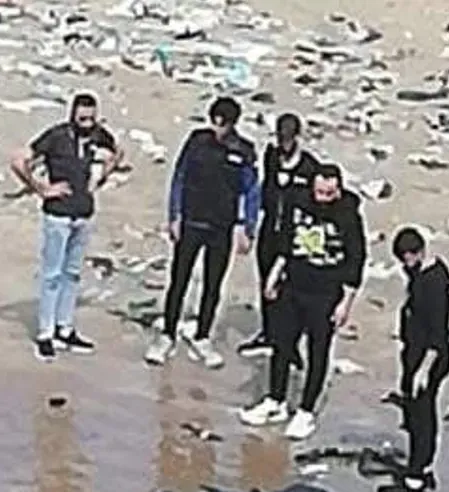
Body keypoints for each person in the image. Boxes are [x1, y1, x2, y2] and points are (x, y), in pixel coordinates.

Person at [239, 163, 365, 441]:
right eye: (319, 191)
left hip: (326, 293)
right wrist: (273, 277)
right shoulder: (298, 203)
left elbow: (356, 261)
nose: (323, 198)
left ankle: (306, 411)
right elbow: (285, 242)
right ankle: (275, 400)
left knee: (318, 352)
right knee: (281, 344)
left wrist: (346, 303)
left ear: (338, 190)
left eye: (329, 193)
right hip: (293, 285)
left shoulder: (348, 215)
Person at [146, 97, 261, 368]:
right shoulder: (197, 141)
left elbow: (251, 191)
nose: (218, 128)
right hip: (191, 221)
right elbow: (180, 176)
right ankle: (167, 334)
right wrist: (174, 215)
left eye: (224, 124)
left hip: (222, 226)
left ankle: (202, 335)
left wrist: (248, 227)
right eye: (215, 122)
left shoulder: (243, 151)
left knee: (213, 283)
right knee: (179, 280)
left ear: (233, 124)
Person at [10, 92, 124, 362]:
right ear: (72, 115)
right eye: (82, 119)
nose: (87, 124)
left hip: (84, 213)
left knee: (72, 274)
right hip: (57, 215)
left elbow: (118, 151)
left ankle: (66, 327)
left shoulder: (98, 135)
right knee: (52, 274)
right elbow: (18, 161)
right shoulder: (56, 136)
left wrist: (101, 177)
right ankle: (45, 333)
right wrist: (41, 188)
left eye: (91, 118)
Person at [378, 227, 449, 492]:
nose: (406, 263)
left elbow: (437, 331)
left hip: (428, 358)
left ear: (420, 252)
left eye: (409, 257)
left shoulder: (433, 283)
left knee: (423, 417)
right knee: (417, 413)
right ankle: (422, 467)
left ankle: (415, 479)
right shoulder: (420, 275)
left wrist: (422, 371)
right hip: (416, 354)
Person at [238, 112, 320, 359]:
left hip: (294, 236)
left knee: (290, 287)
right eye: (281, 138)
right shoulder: (271, 157)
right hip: (270, 231)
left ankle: (289, 341)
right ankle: (268, 332)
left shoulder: (309, 167)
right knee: (266, 282)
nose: (284, 144)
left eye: (288, 138)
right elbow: (266, 190)